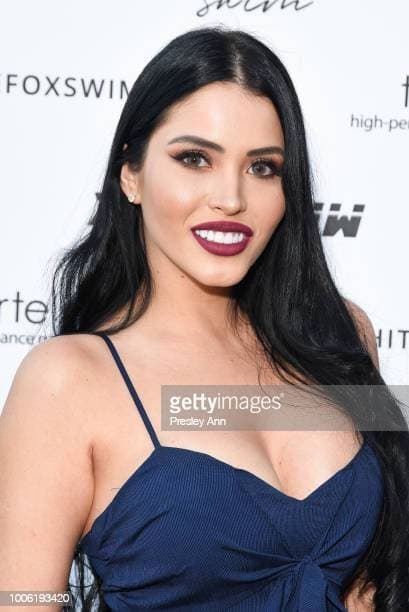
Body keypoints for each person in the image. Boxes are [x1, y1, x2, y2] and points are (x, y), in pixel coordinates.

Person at [1, 25, 408, 612]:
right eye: (194, 159)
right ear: (131, 173)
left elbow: (368, 584)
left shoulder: (342, 335)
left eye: (262, 167)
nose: (230, 198)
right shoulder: (68, 380)